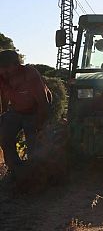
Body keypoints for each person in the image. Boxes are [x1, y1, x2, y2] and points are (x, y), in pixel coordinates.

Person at [0, 49, 51, 178]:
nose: (3, 71)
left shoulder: (30, 74)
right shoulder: (2, 76)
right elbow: (4, 96)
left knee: (34, 143)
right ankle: (15, 169)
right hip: (16, 110)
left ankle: (35, 172)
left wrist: (40, 126)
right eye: (1, 68)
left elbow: (43, 102)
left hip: (36, 110)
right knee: (5, 137)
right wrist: (4, 114)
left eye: (6, 68)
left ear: (17, 65)